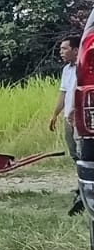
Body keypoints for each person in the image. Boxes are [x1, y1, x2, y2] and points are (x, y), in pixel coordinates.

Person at [49, 34, 83, 217]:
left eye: (65, 49)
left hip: (80, 119)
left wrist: (75, 111)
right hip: (68, 118)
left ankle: (84, 187)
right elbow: (63, 94)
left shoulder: (84, 67)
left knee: (84, 152)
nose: (61, 52)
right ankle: (81, 184)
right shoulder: (66, 70)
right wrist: (55, 114)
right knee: (74, 154)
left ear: (76, 50)